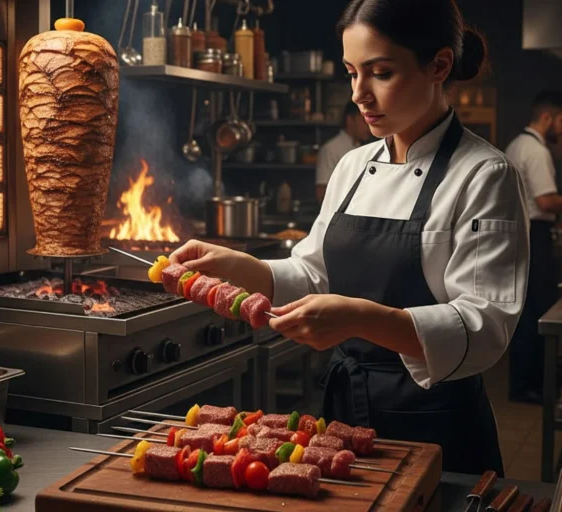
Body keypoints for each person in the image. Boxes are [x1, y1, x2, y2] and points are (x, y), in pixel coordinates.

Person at [170, 0, 529, 476]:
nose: (359, 94)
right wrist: (241, 267)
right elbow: (314, 272)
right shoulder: (353, 166)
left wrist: (358, 317)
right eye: (351, 73)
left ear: (439, 65)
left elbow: (484, 326)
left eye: (381, 73)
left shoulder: (484, 174)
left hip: (436, 419)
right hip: (343, 416)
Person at [505, 91, 562, 404]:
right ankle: (532, 386)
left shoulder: (517, 144)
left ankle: (525, 383)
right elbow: (545, 201)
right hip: (535, 234)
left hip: (521, 234)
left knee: (526, 311)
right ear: (547, 117)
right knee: (538, 310)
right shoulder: (536, 150)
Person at [316, 101, 371, 201]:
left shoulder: (362, 148)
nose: (369, 126)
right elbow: (321, 193)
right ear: (350, 120)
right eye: (364, 121)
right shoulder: (331, 149)